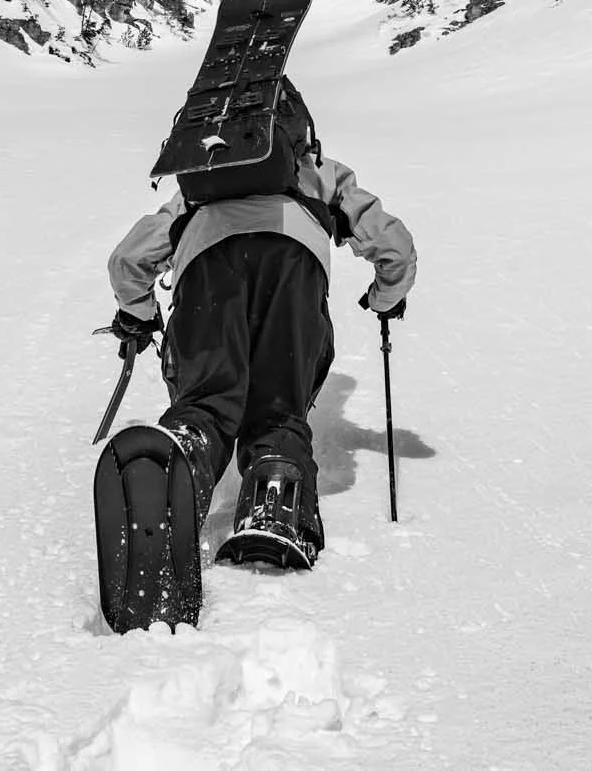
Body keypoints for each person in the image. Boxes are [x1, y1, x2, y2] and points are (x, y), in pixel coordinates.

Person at [104, 82, 415, 566]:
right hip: (295, 268)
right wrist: (385, 297)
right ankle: (276, 495)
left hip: (208, 268)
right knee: (276, 409)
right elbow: (394, 246)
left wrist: (138, 313)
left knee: (205, 401)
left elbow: (128, 260)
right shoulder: (319, 173)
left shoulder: (198, 186)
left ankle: (181, 461)